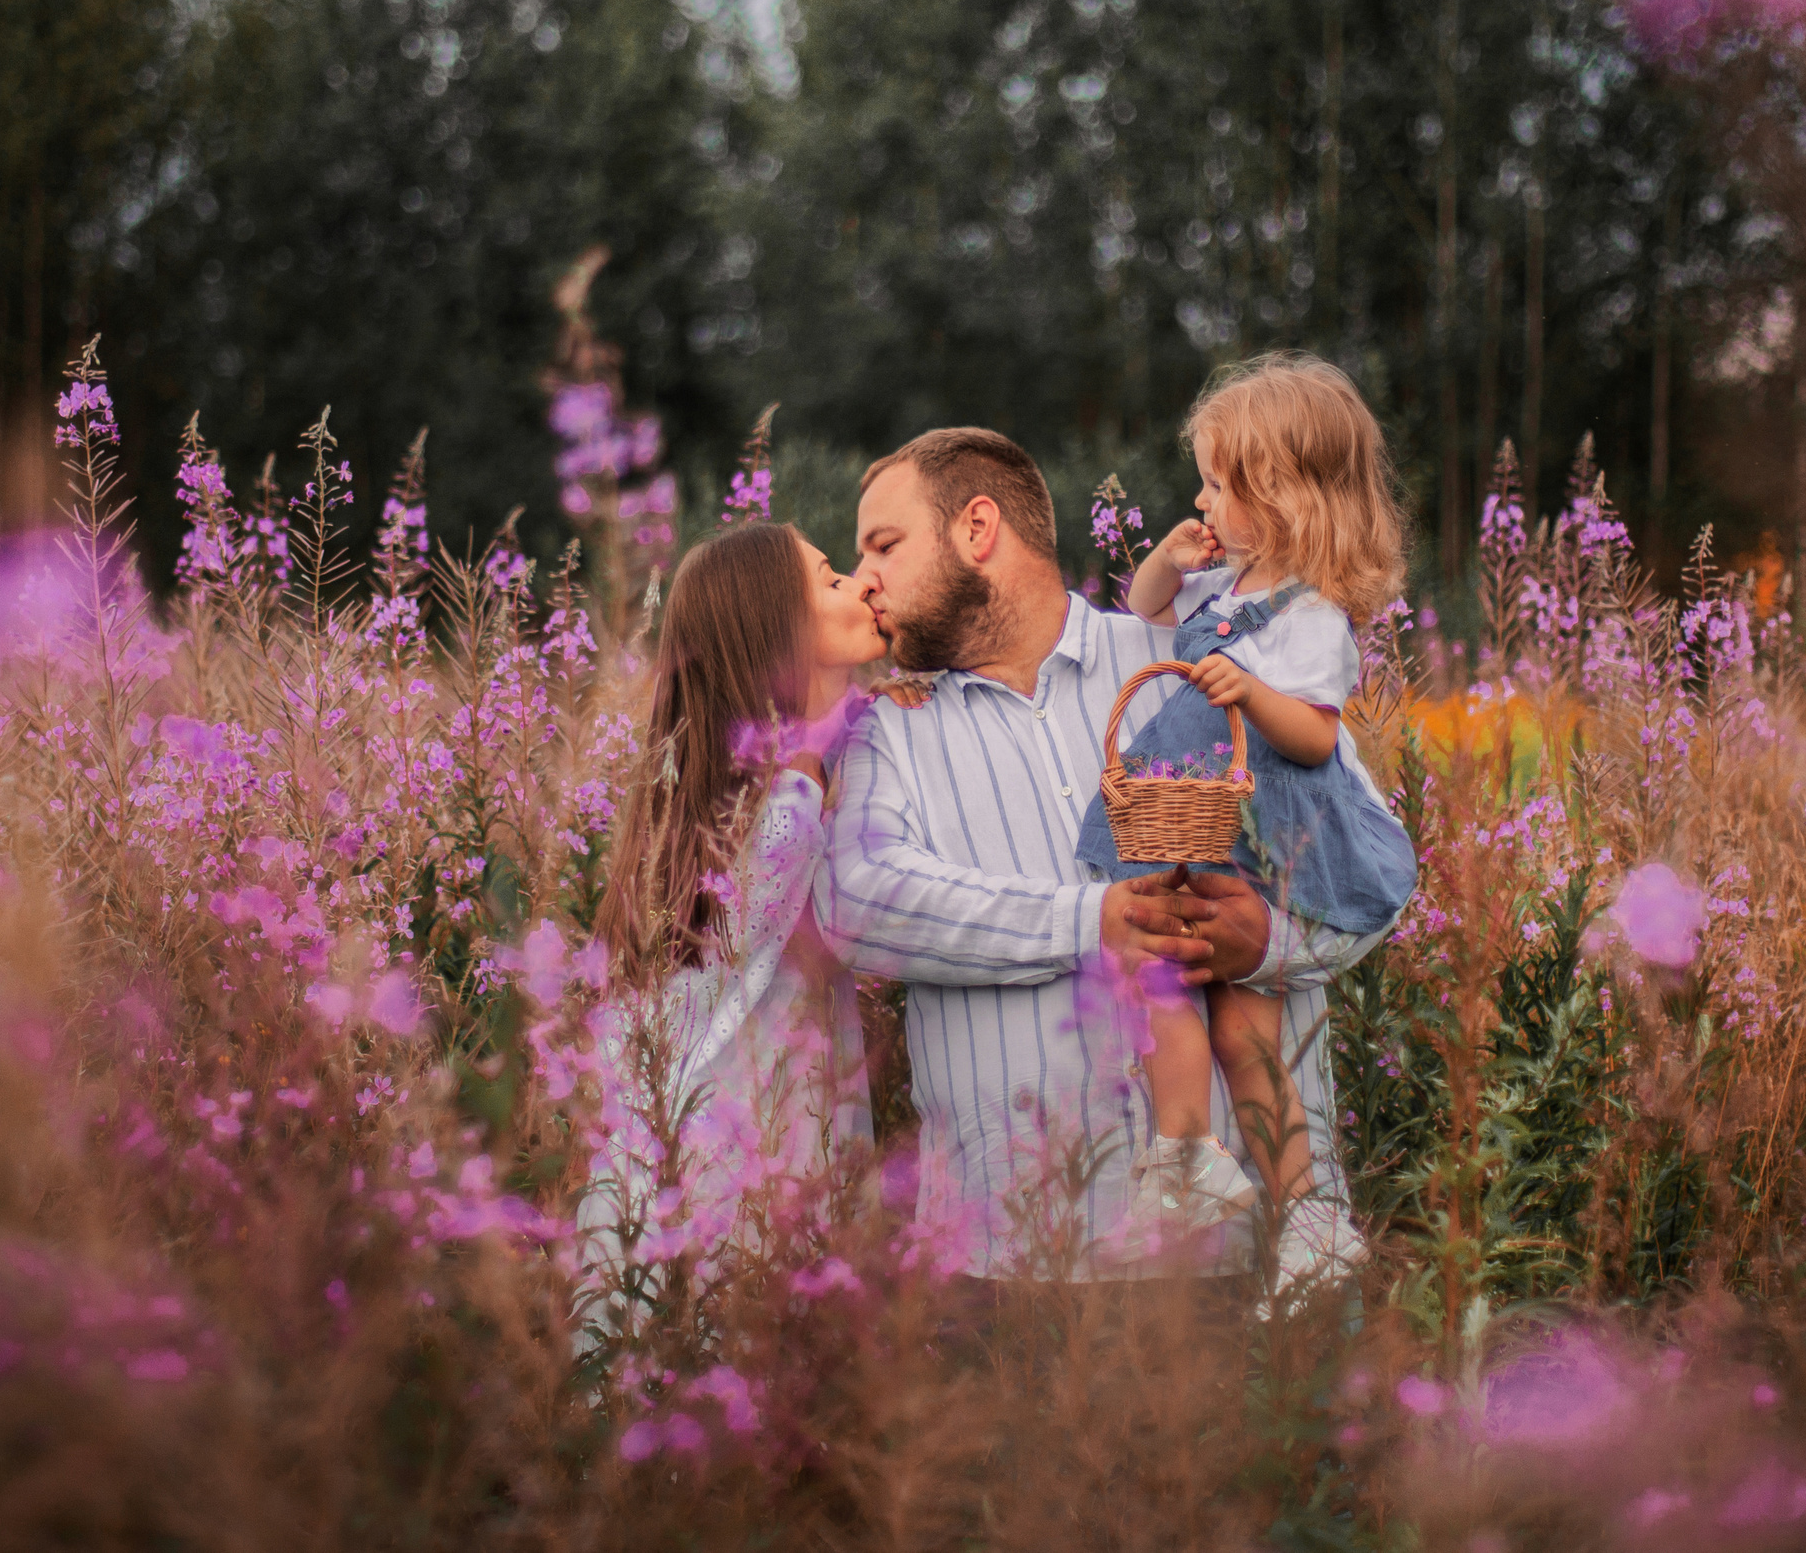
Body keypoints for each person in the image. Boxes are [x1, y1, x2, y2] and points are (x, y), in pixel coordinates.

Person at [816, 425, 1397, 1311]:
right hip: (1013, 1274)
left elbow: (1368, 869)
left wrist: (1270, 943)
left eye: (884, 545)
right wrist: (1090, 924)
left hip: (1249, 1265)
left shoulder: (1204, 661)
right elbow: (858, 902)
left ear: (979, 529)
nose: (864, 580)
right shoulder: (888, 730)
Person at [1078, 353, 1417, 1292]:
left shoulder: (1312, 616)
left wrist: (1251, 688)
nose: (1202, 498)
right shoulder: (1218, 586)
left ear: (1280, 495)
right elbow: (1143, 607)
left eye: (1219, 484)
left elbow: (1312, 737)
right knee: (1172, 984)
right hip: (1195, 821)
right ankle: (1191, 1165)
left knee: (1244, 1035)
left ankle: (1309, 1219)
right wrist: (1166, 559)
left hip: (1267, 844)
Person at [574, 521, 886, 1347]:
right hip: (734, 1190)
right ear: (779, 631)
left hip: (746, 1168)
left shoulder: (749, 797)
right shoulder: (786, 800)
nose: (860, 581)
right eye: (830, 579)